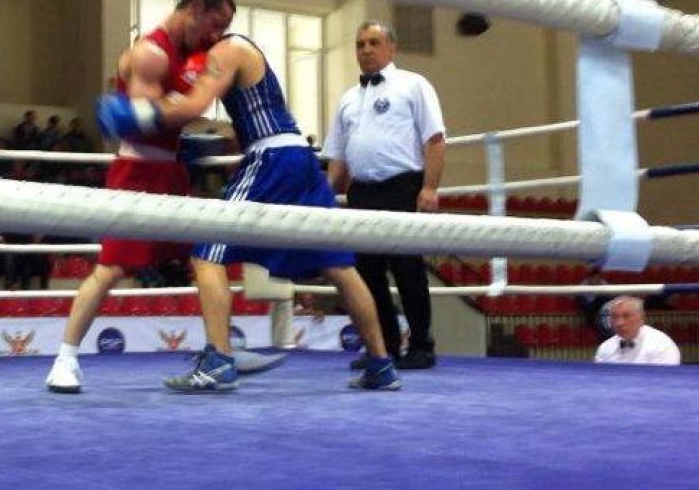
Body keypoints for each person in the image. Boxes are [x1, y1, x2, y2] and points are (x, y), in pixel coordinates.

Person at [98, 28, 401, 392]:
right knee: (338, 265)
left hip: (270, 158)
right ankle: (381, 364)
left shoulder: (227, 49)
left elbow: (193, 105)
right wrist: (201, 142)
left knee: (206, 253)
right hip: (300, 157)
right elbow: (226, 118)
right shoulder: (237, 54)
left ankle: (218, 363)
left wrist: (139, 114)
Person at [46, 0, 278, 394]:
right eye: (215, 22)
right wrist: (186, 119)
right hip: (137, 174)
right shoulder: (151, 54)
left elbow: (176, 112)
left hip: (172, 172)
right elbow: (146, 117)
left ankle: (222, 349)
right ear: (194, 8)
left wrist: (197, 136)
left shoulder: (192, 53)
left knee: (208, 257)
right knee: (111, 269)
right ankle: (65, 360)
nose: (216, 34)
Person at [323, 20, 446, 371]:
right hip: (361, 192)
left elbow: (435, 138)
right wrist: (324, 197)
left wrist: (430, 187)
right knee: (368, 273)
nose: (366, 50)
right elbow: (338, 158)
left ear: (392, 48)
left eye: (374, 42)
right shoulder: (348, 98)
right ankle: (384, 347)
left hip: (403, 186)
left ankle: (421, 345)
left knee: (408, 270)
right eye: (360, 44)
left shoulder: (414, 84)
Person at [594, 296, 680, 365]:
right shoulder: (605, 347)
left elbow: (665, 379)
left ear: (641, 318)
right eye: (614, 317)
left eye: (626, 316)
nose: (619, 323)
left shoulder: (662, 345)